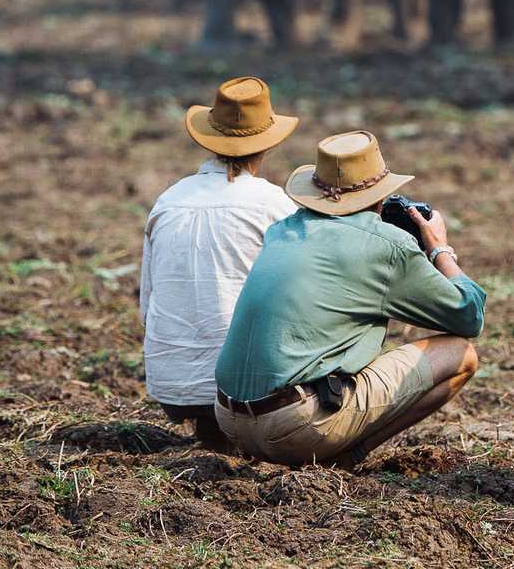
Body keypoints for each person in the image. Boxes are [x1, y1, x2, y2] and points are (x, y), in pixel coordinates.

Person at [213, 130, 485, 467]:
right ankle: (344, 458)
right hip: (297, 427)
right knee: (460, 354)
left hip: (229, 420)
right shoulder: (386, 245)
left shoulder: (283, 229)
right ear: (380, 197)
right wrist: (439, 249)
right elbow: (469, 315)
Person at [140, 76, 299, 452]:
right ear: (267, 145)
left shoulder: (169, 200)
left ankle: (215, 432)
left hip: (171, 385)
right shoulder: (273, 203)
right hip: (244, 388)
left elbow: (147, 308)